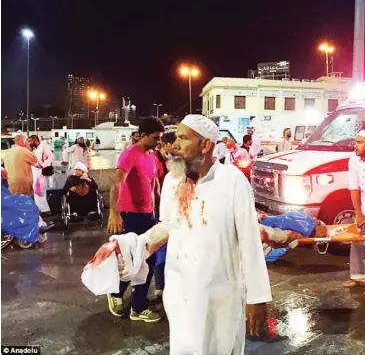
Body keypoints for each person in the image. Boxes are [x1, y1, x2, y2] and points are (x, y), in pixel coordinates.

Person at [142, 114, 271, 354]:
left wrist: (257, 296)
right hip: (181, 295)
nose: (174, 145)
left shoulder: (233, 181)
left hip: (220, 298)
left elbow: (249, 241)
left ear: (205, 145)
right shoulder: (172, 181)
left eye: (183, 138)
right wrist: (135, 247)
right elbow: (167, 225)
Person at [107, 117, 164, 323]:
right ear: (142, 135)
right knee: (129, 259)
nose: (158, 141)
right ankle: (115, 293)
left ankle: (138, 307)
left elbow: (154, 184)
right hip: (130, 215)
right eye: (155, 137)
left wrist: (158, 212)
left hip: (148, 216)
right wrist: (114, 213)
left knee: (147, 261)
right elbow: (117, 183)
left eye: (160, 138)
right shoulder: (130, 153)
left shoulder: (152, 156)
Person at [343, 130, 365, 297]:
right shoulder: (353, 160)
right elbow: (354, 187)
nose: (355, 145)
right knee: (357, 240)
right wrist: (359, 213)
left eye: (359, 142)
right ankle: (358, 276)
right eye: (354, 141)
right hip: (364, 204)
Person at [152, 131, 176, 297]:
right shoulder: (155, 160)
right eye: (175, 144)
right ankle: (159, 285)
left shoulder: (171, 162)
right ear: (166, 144)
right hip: (160, 210)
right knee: (161, 248)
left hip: (167, 208)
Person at [28, 135, 54, 216]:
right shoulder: (37, 148)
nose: (29, 143)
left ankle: (45, 210)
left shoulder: (44, 146)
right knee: (38, 193)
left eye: (30, 141)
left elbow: (49, 157)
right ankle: (41, 209)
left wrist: (42, 165)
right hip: (37, 174)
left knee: (40, 193)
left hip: (42, 173)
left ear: (35, 140)